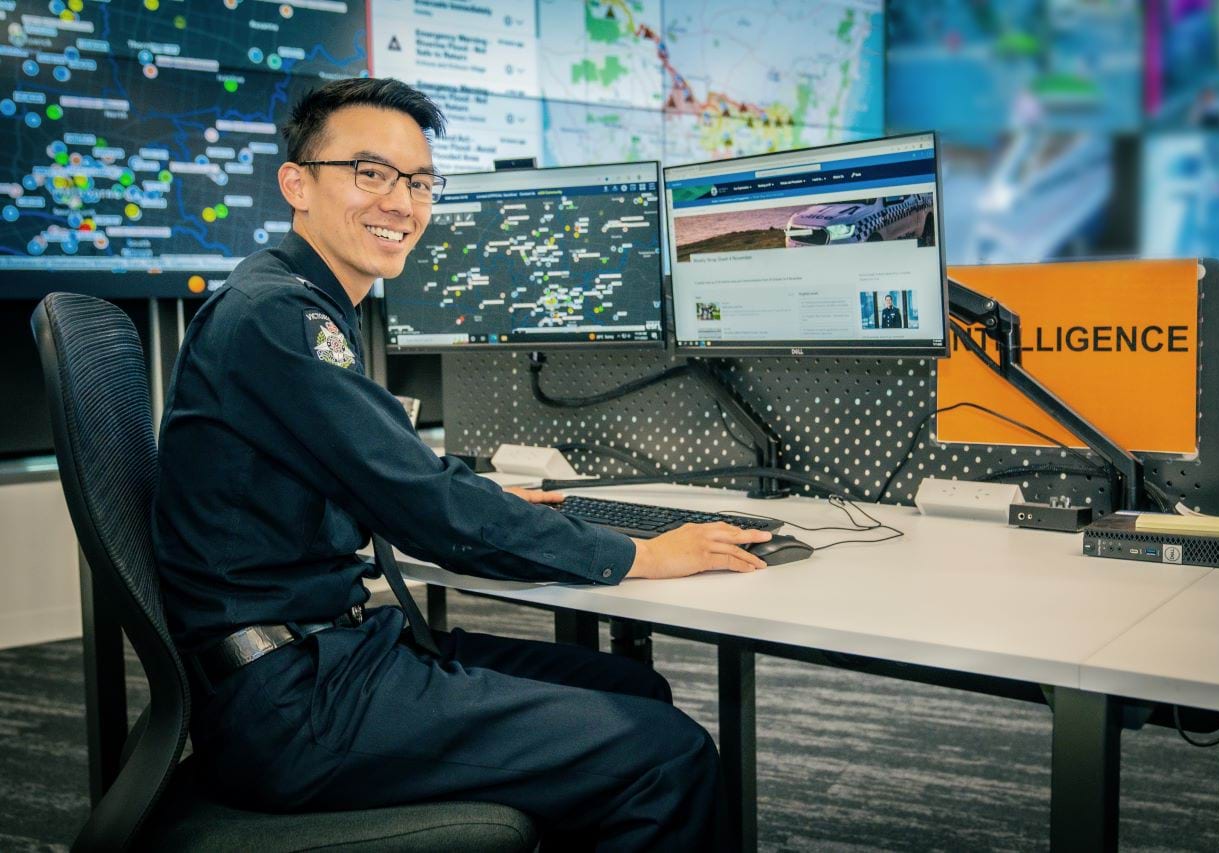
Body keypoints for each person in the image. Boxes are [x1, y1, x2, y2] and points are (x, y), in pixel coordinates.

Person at [151, 77, 772, 850]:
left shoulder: (290, 302)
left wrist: (476, 492)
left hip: (321, 657)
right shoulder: (277, 318)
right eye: (369, 173)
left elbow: (382, 473)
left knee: (630, 685)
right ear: (297, 184)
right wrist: (642, 551)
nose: (401, 202)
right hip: (295, 701)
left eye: (417, 182)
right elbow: (425, 507)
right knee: (666, 757)